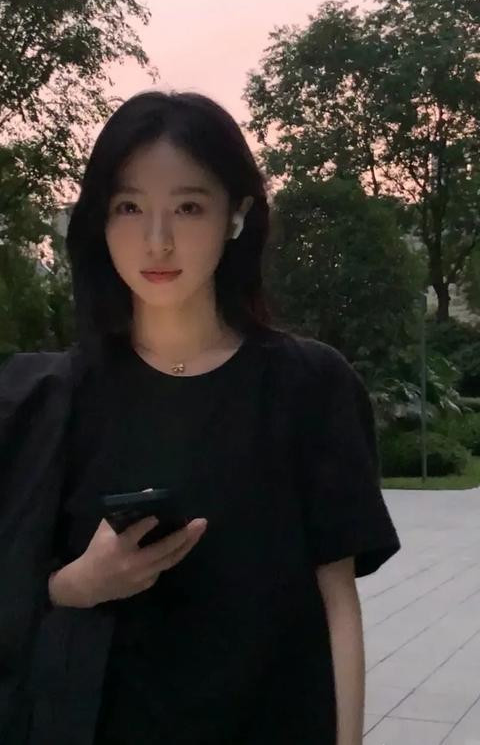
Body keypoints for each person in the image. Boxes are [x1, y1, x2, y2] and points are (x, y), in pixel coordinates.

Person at [44, 89, 402, 745]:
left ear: (236, 216)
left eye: (188, 207)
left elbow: (338, 602)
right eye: (129, 207)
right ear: (99, 220)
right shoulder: (57, 396)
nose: (157, 240)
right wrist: (82, 583)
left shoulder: (310, 386)